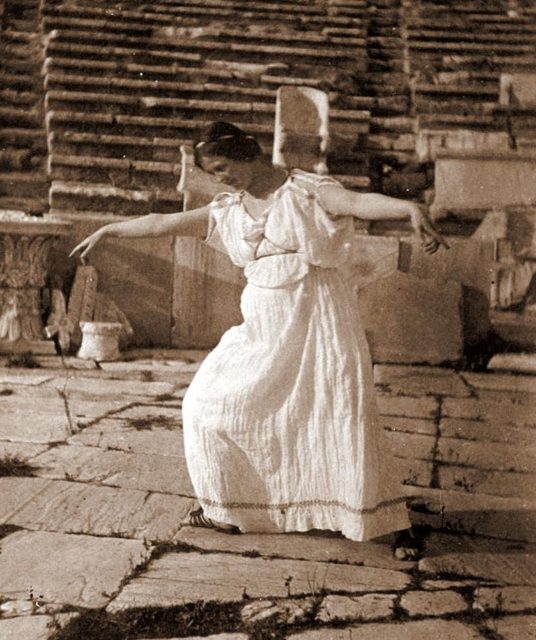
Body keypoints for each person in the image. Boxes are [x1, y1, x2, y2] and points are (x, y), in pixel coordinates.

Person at [71, 121, 447, 559]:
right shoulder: (228, 209)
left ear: (247, 153)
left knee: (337, 412)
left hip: (318, 320)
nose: (220, 177)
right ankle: (230, 506)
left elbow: (359, 202)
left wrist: (408, 210)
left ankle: (386, 523)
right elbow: (162, 223)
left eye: (223, 167)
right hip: (263, 326)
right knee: (206, 405)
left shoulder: (305, 191)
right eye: (213, 172)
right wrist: (110, 230)